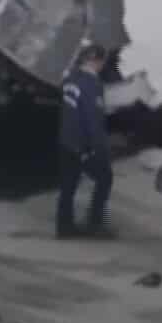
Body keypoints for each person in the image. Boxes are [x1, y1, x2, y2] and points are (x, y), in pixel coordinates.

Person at [57, 43, 116, 239]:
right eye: (102, 62)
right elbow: (94, 120)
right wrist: (100, 149)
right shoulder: (93, 85)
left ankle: (63, 227)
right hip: (83, 145)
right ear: (96, 62)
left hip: (66, 141)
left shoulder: (70, 79)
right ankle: (95, 223)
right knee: (105, 177)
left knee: (68, 186)